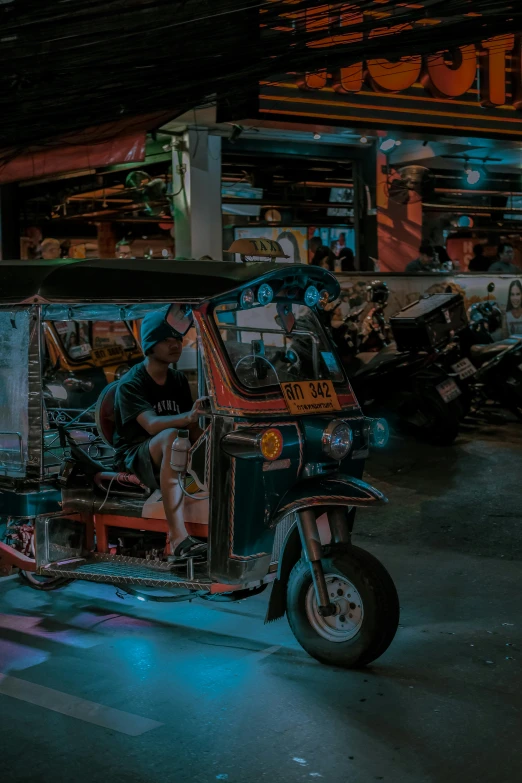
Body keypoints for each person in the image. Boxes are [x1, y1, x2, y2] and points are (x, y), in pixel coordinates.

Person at [113, 307, 208, 561]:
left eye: (177, 339)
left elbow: (192, 427)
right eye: (166, 339)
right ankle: (178, 537)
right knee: (171, 437)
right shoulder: (131, 384)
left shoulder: (177, 380)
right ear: (150, 346)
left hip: (172, 448)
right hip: (136, 454)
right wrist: (188, 418)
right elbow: (153, 425)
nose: (175, 344)